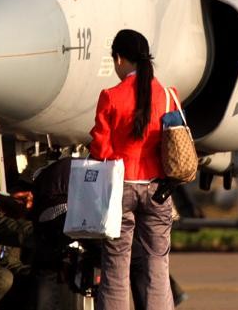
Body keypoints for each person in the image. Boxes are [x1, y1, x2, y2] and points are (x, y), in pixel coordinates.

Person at [89, 29, 175, 310]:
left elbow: (99, 150)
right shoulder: (167, 95)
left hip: (119, 187)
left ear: (119, 59)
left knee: (115, 263)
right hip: (157, 189)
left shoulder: (110, 96)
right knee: (157, 263)